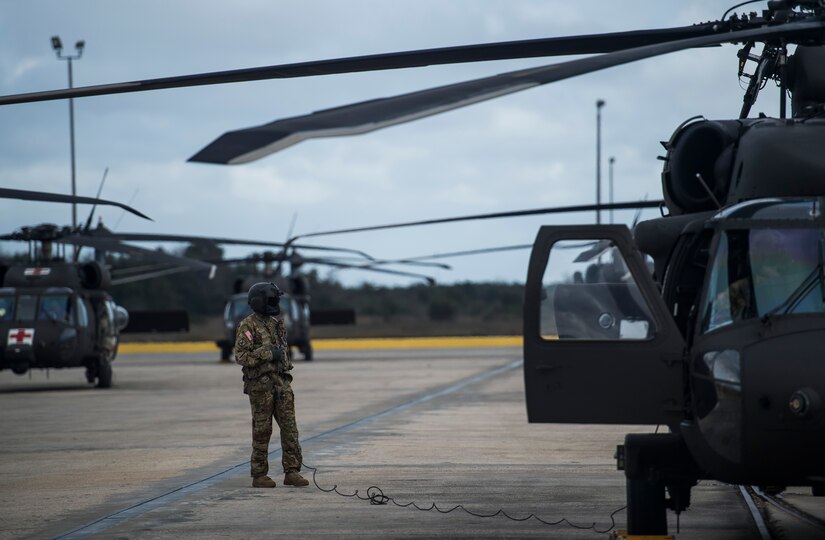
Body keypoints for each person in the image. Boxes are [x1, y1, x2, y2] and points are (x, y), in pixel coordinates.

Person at [234, 282, 309, 488]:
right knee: (262, 430)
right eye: (272, 299)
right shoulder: (247, 326)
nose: (275, 303)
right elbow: (241, 356)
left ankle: (292, 471)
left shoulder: (276, 323)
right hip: (261, 386)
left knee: (290, 429)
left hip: (281, 383)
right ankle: (259, 475)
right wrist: (267, 354)